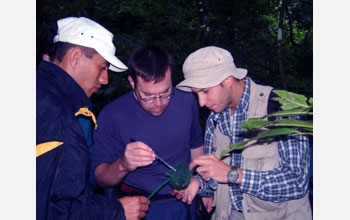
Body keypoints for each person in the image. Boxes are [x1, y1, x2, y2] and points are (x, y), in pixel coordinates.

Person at [174, 46, 312, 220]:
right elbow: (215, 180)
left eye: (205, 91)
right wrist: (199, 184)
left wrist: (233, 174)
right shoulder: (214, 119)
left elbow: (296, 183)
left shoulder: (280, 108)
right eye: (197, 94)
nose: (201, 102)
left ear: (228, 79)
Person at [36, 16, 150, 220]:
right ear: (76, 57)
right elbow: (49, 210)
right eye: (102, 67)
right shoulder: (54, 112)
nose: (105, 80)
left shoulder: (45, 96)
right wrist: (116, 211)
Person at [92, 45, 206, 220]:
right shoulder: (111, 115)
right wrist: (123, 164)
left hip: (185, 204)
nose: (158, 103)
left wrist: (201, 183)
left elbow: (196, 146)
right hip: (139, 209)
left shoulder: (187, 100)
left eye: (166, 92)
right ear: (132, 83)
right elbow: (100, 178)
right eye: (148, 96)